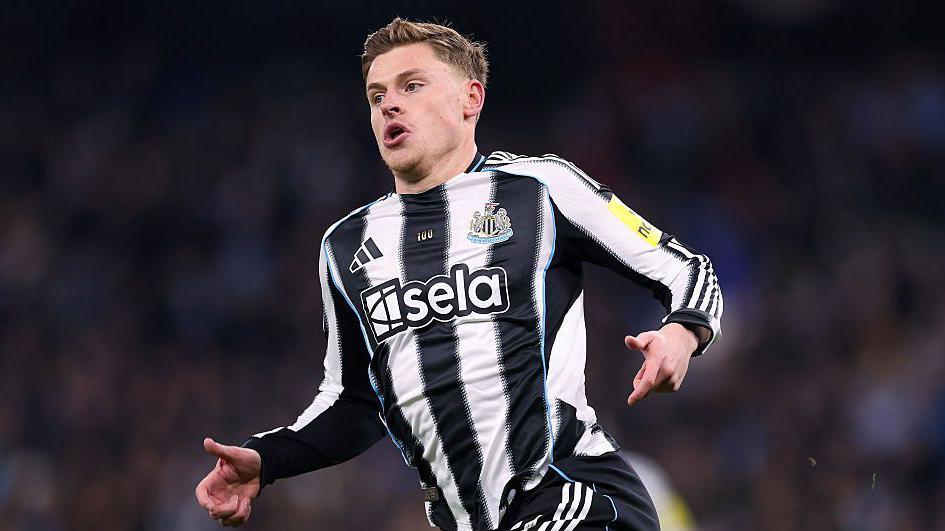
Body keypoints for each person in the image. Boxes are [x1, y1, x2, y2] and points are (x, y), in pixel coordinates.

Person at [195, 17, 722, 531]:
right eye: (376, 96)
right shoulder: (346, 246)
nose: (389, 104)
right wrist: (268, 460)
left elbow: (687, 271)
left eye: (412, 85)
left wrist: (680, 332)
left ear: (471, 99)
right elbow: (356, 402)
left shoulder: (539, 188)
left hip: (574, 496)